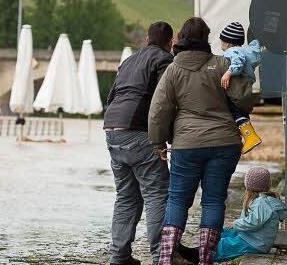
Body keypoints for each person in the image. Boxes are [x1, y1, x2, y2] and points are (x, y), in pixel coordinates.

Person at [148, 17, 254, 265]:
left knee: (177, 199)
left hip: (187, 144)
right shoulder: (223, 64)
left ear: (181, 38)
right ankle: (207, 258)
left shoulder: (173, 69)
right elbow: (245, 100)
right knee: (214, 200)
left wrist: (158, 142)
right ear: (206, 39)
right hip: (225, 142)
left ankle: (165, 257)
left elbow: (158, 110)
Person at [104, 21, 174, 265]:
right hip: (137, 131)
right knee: (157, 193)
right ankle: (160, 256)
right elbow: (164, 100)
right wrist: (164, 136)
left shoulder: (128, 61)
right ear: (171, 43)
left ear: (146, 39)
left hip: (112, 129)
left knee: (126, 196)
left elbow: (112, 96)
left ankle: (119, 256)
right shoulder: (164, 60)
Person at [179, 167, 287, 263]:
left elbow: (254, 222)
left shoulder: (262, 203)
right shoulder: (266, 201)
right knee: (225, 233)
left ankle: (198, 255)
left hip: (255, 243)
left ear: (249, 185)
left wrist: (235, 223)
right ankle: (200, 249)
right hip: (253, 238)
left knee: (225, 245)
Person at [219, 22, 262, 154]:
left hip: (236, 88)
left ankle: (250, 136)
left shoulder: (233, 52)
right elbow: (254, 50)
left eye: (222, 41)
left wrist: (228, 72)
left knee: (234, 110)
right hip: (245, 89)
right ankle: (247, 136)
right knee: (241, 112)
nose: (221, 44)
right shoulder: (246, 52)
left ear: (228, 43)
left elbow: (238, 61)